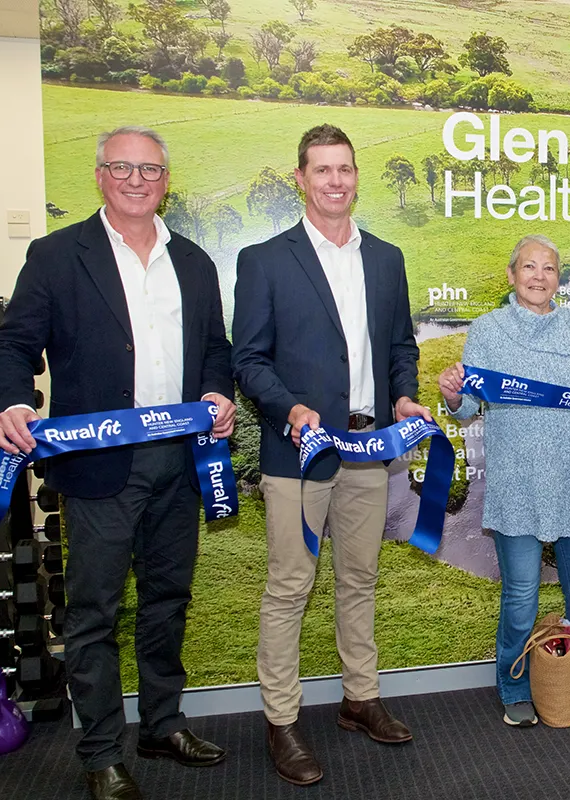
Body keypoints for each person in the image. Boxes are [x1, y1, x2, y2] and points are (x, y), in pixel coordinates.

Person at [0, 126, 236, 800]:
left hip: (178, 463)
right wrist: (10, 403)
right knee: (94, 612)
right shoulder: (57, 255)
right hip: (97, 468)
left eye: (149, 169)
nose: (136, 179)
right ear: (99, 175)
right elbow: (12, 348)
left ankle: (161, 723)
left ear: (166, 180)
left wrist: (217, 393)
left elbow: (216, 348)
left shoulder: (194, 261)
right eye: (121, 167)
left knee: (167, 600)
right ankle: (100, 751)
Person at [232, 124, 428, 786]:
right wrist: (289, 409)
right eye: (322, 171)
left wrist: (404, 398)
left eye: (344, 169)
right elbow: (249, 359)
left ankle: (358, 698)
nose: (335, 181)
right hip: (300, 454)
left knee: (360, 579)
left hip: (370, 448)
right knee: (291, 584)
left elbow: (401, 345)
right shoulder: (265, 260)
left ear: (355, 177)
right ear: (301, 179)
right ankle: (282, 721)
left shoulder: (387, 257)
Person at [437, 235, 570, 727]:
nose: (538, 276)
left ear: (559, 279)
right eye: (529, 266)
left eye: (548, 269)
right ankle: (513, 687)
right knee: (521, 597)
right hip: (517, 485)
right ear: (511, 275)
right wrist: (451, 396)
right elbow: (468, 409)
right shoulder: (487, 330)